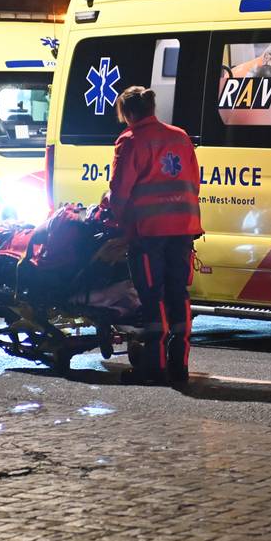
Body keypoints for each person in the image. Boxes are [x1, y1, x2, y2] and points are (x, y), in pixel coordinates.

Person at [106, 86, 203, 386]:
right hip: (184, 229)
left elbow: (119, 192)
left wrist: (115, 222)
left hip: (149, 232)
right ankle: (179, 366)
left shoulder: (131, 141)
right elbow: (194, 182)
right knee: (178, 294)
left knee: (153, 298)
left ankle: (154, 368)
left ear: (128, 113)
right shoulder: (180, 136)